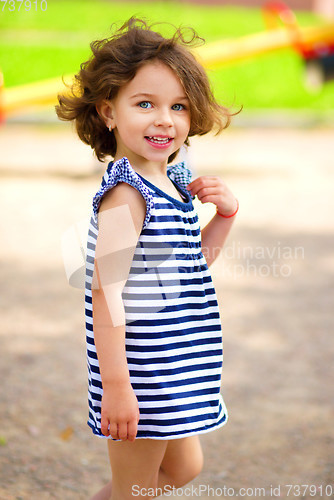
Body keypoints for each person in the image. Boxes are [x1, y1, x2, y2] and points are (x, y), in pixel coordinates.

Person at [56, 17, 239, 500]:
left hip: (173, 364)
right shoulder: (127, 196)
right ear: (108, 112)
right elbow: (104, 291)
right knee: (135, 489)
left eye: (178, 106)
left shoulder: (172, 181)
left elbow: (187, 268)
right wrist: (117, 386)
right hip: (141, 371)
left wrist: (225, 216)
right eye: (145, 104)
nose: (165, 119)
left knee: (183, 468)